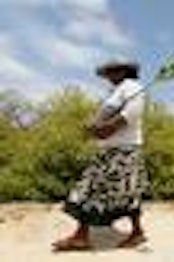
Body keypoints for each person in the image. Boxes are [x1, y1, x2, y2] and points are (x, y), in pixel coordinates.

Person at [53, 62, 149, 251]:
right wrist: (94, 126)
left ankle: (81, 236)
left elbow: (129, 115)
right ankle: (137, 232)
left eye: (111, 72)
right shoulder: (119, 90)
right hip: (114, 150)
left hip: (123, 151)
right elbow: (107, 117)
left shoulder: (133, 88)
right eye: (107, 73)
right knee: (128, 193)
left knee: (89, 188)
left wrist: (103, 129)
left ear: (123, 72)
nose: (108, 76)